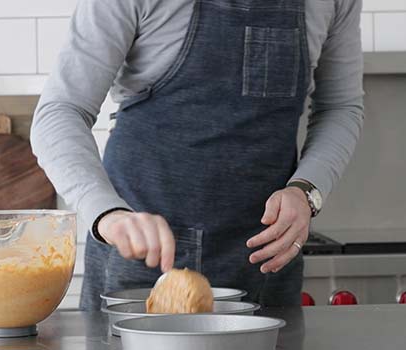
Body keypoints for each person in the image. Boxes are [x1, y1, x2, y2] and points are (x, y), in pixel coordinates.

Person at [31, 0, 364, 310]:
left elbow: (340, 107)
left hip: (266, 259)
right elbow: (61, 111)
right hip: (138, 259)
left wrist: (307, 191)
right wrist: (107, 214)